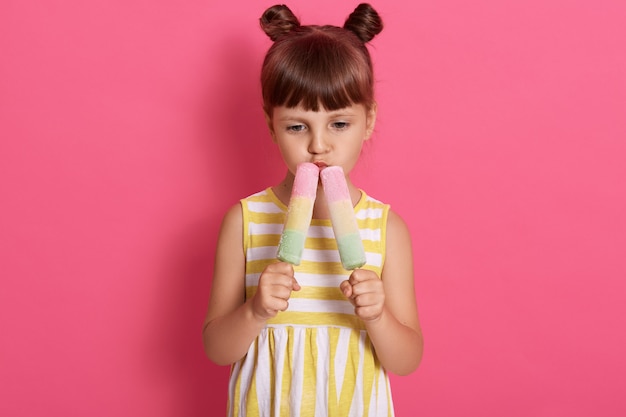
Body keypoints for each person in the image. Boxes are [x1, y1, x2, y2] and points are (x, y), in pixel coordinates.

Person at [203, 3, 423, 416]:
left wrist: (378, 317)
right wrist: (255, 311)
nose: (318, 145)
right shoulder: (244, 223)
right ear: (271, 125)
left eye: (339, 124)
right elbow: (216, 348)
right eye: (296, 126)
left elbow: (407, 360)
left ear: (368, 120)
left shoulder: (387, 228)